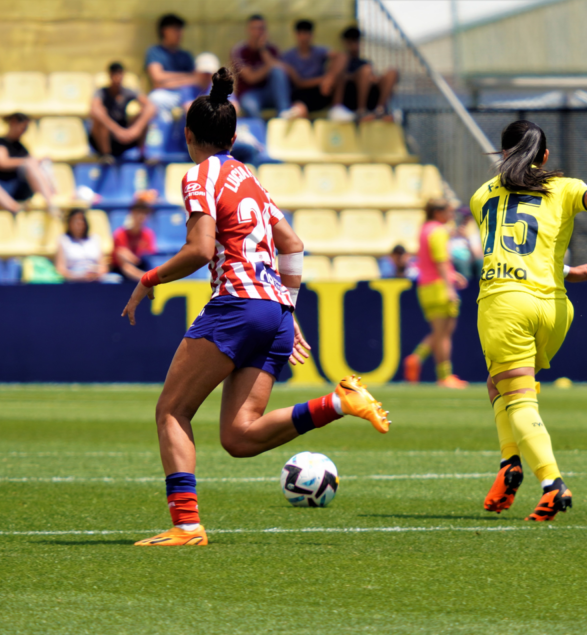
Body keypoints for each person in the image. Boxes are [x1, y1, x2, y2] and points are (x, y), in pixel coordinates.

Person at [120, 69, 390, 546]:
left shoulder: (199, 175)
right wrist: (287, 306)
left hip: (237, 307)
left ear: (187, 135)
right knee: (239, 437)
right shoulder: (250, 177)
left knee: (172, 411)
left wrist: (148, 278)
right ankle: (338, 402)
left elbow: (202, 250)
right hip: (273, 312)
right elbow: (293, 244)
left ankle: (186, 525)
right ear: (234, 136)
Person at [472, 120, 587, 521]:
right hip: (554, 308)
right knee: (500, 383)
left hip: (504, 304)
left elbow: (506, 252)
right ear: (544, 156)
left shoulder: (481, 197)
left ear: (502, 153)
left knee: (517, 397)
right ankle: (508, 463)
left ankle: (552, 484)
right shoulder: (565, 187)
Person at [402, 199, 469, 389]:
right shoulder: (438, 231)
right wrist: (449, 287)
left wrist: (452, 274)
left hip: (426, 286)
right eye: (449, 211)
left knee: (439, 333)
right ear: (438, 213)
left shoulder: (425, 229)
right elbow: (440, 261)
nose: (452, 215)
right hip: (439, 286)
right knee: (444, 335)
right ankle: (444, 376)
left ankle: (417, 358)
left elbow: (430, 261)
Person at [0, 113, 57, 216]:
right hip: (1, 186)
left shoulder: (22, 148)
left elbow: (32, 168)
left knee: (32, 165)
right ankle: (15, 208)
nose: (24, 131)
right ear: (13, 123)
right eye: (23, 127)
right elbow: (1, 162)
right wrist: (26, 161)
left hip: (19, 187)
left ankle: (50, 203)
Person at [89, 62, 157, 162]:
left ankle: (142, 154)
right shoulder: (101, 92)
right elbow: (94, 110)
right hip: (106, 136)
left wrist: (135, 129)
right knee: (100, 116)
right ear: (109, 75)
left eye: (119, 74)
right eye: (114, 74)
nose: (117, 77)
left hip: (124, 135)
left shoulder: (128, 91)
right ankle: (105, 155)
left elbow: (151, 107)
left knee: (142, 115)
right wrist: (116, 130)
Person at [231, 15, 294, 120]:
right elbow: (251, 78)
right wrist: (269, 65)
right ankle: (261, 133)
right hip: (249, 94)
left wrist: (263, 51)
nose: (258, 32)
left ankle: (284, 115)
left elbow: (283, 72)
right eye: (254, 28)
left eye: (261, 28)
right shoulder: (240, 51)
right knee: (250, 105)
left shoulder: (272, 49)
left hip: (270, 93)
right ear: (248, 30)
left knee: (277, 72)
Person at [279, 19, 347, 118]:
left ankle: (337, 109)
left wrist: (330, 77)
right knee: (299, 108)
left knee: (339, 74)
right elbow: (299, 82)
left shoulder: (319, 51)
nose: (304, 37)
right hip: (301, 94)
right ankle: (295, 114)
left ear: (312, 35)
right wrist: (323, 80)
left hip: (321, 92)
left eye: (307, 33)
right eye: (301, 33)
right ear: (296, 35)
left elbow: (342, 57)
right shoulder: (288, 56)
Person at [145, 14, 210, 114]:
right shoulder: (155, 51)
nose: (180, 33)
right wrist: (187, 77)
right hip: (167, 95)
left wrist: (168, 81)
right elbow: (157, 78)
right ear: (164, 31)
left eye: (180, 29)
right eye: (176, 29)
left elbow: (198, 79)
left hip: (188, 94)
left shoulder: (186, 55)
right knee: (154, 98)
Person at [340, 27, 397, 121]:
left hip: (370, 94)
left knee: (392, 73)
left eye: (357, 41)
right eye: (352, 41)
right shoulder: (342, 60)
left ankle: (380, 110)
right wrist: (358, 77)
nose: (355, 44)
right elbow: (340, 78)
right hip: (350, 96)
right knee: (366, 71)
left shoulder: (365, 62)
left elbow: (372, 77)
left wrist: (371, 78)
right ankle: (361, 111)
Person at [112, 197, 158, 281]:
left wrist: (130, 256)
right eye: (138, 213)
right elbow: (121, 257)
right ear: (132, 214)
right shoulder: (120, 234)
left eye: (144, 213)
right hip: (121, 269)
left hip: (141, 267)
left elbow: (146, 256)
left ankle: (145, 278)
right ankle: (145, 278)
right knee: (125, 264)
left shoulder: (148, 234)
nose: (141, 216)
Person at [56, 209, 108, 281]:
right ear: (69, 223)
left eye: (81, 220)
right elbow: (61, 269)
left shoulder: (95, 239)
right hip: (73, 283)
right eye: (75, 220)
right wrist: (79, 277)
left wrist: (97, 274)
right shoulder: (63, 240)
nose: (79, 223)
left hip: (95, 281)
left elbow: (103, 266)